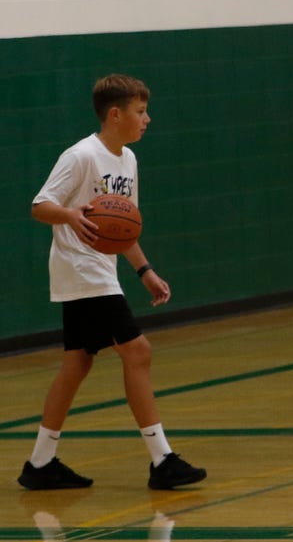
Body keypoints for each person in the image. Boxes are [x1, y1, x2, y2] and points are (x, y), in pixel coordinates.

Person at [20, 74, 207, 492]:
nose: (148, 120)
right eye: (141, 112)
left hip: (101, 271)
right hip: (80, 268)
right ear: (116, 114)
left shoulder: (128, 161)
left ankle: (40, 462)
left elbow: (123, 230)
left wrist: (145, 271)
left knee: (78, 362)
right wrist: (70, 215)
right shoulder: (81, 155)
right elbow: (39, 205)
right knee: (137, 351)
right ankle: (162, 460)